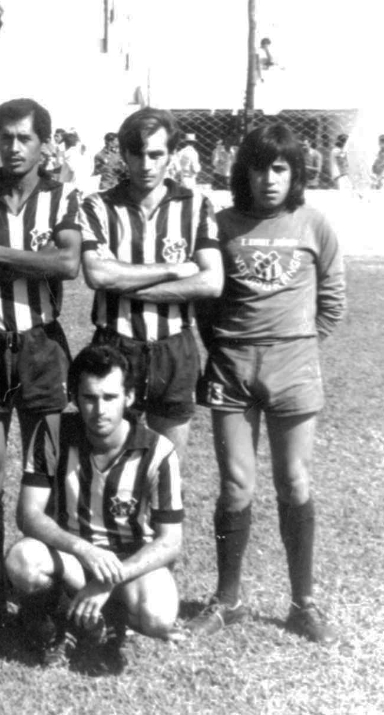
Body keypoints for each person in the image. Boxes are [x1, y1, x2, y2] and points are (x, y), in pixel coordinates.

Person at [188, 124, 345, 644]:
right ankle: (226, 599)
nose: (269, 179)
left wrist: (294, 345)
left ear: (297, 173)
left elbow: (333, 301)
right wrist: (230, 347)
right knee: (236, 485)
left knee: (295, 482)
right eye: (259, 167)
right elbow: (206, 302)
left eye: (280, 168)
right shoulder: (224, 223)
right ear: (244, 172)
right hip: (233, 366)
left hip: (293, 367)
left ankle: (303, 602)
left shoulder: (314, 224)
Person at [0, 98, 82, 572]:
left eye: (24, 137)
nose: (13, 147)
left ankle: (42, 593)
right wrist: (31, 258)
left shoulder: (63, 196)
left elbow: (67, 264)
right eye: (5, 137)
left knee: (44, 466)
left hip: (41, 344)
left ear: (44, 145)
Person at [6, 345, 184, 669]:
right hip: (72, 557)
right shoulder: (53, 430)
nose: (99, 409)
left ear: (129, 397)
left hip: (125, 562)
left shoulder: (158, 451)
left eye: (110, 397)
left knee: (158, 616)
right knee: (23, 560)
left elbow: (170, 541)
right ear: (74, 396)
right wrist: (84, 550)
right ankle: (57, 626)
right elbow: (28, 514)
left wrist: (110, 579)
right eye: (89, 398)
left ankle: (110, 620)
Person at [79, 107, 223, 468]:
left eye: (156, 154)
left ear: (172, 156)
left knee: (167, 469)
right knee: (107, 463)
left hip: (174, 346)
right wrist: (176, 269)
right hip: (115, 342)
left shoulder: (196, 205)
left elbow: (211, 281)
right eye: (137, 154)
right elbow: (98, 276)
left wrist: (126, 283)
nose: (146, 164)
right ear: (124, 155)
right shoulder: (98, 206)